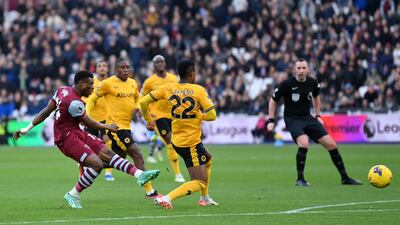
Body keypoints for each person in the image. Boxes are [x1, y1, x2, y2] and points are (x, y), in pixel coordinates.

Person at [13, 70, 160, 209]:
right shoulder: (75, 103)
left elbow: (45, 112)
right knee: (96, 164)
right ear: (82, 84)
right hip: (66, 138)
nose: (93, 87)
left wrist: (26, 129)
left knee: (106, 153)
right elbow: (89, 122)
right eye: (90, 84)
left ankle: (140, 175)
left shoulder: (62, 90)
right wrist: (108, 127)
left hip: (77, 131)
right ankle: (73, 194)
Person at [267, 59, 362, 186]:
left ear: (308, 70)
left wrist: (318, 115)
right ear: (295, 70)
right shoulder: (287, 84)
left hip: (307, 118)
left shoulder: (313, 83)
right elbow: (273, 100)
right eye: (298, 68)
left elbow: (316, 97)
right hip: (292, 119)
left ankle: (345, 178)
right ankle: (300, 179)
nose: (301, 71)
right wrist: (271, 120)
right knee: (304, 143)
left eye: (303, 68)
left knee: (332, 145)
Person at [140, 60, 218, 209]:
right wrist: (197, 115)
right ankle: (167, 198)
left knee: (208, 158)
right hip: (191, 142)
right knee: (199, 182)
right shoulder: (198, 90)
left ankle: (205, 198)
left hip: (177, 140)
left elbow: (143, 102)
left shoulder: (168, 88)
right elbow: (212, 115)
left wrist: (149, 120)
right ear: (192, 74)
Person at [86, 58, 161, 198]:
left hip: (127, 126)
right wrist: (87, 116)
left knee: (118, 159)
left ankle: (90, 165)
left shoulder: (132, 83)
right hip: (115, 128)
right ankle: (150, 191)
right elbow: (92, 99)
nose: (126, 70)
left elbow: (138, 99)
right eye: (122, 67)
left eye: (128, 67)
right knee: (137, 153)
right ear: (116, 69)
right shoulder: (107, 84)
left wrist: (138, 107)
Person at [141, 55, 185, 182]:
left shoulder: (173, 78)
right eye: (157, 62)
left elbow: (181, 94)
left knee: (176, 142)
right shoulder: (149, 81)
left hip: (173, 115)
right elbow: (142, 96)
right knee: (170, 143)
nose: (159, 64)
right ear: (154, 66)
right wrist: (140, 109)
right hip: (158, 116)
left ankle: (177, 169)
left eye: (161, 62)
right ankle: (178, 174)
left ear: (165, 64)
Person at [81, 60, 114, 181]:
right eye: (99, 66)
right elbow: (83, 97)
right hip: (91, 119)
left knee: (108, 142)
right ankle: (87, 166)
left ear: (108, 68)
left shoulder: (112, 82)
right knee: (89, 145)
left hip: (107, 118)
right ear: (96, 69)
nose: (102, 68)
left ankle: (108, 172)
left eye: (104, 65)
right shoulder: (91, 82)